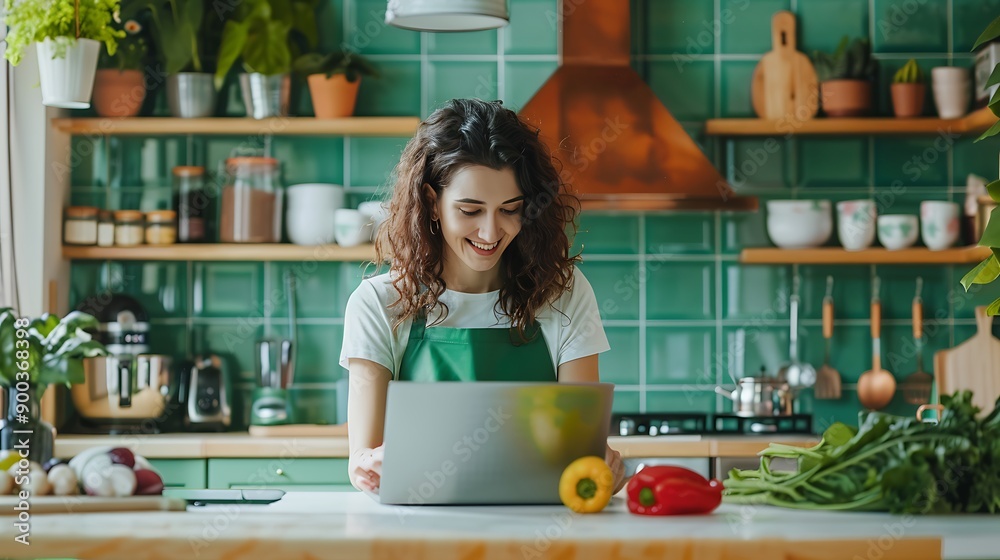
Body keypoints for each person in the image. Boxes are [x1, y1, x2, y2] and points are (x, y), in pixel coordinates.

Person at [339, 98, 625, 497]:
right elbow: (363, 457)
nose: (491, 233)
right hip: (421, 534)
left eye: (510, 210)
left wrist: (603, 462)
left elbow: (583, 450)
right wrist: (367, 467)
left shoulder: (564, 292)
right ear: (431, 202)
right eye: (470, 210)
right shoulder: (379, 303)